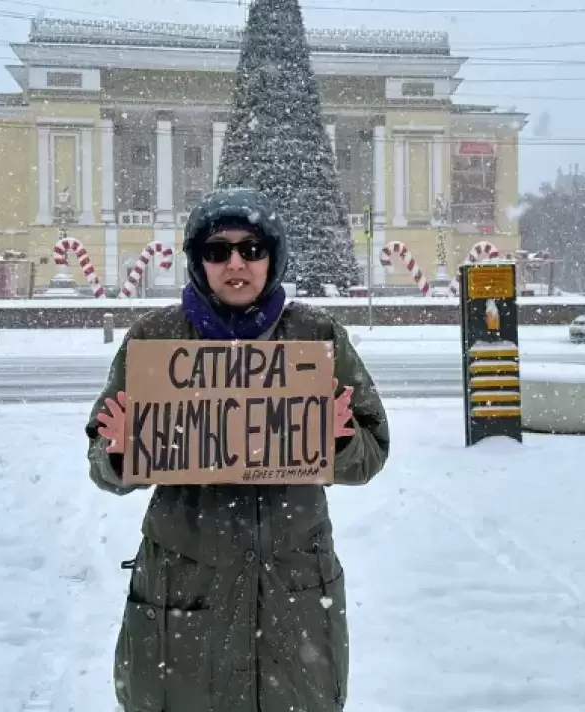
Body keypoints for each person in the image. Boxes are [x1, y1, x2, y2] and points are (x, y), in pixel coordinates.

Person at [84, 187, 391, 712]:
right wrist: (118, 454)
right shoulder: (154, 339)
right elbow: (104, 461)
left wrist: (339, 438)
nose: (235, 264)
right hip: (183, 587)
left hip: (291, 586)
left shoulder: (315, 337)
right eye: (217, 250)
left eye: (251, 249)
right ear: (197, 261)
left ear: (273, 257)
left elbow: (370, 454)